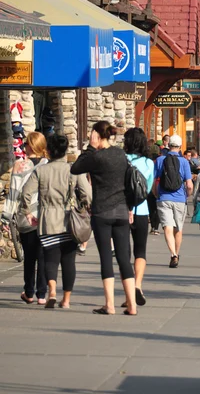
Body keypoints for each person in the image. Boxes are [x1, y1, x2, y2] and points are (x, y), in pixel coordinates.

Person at [71, 121, 136, 316]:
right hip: (122, 210)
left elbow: (76, 168)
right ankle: (131, 304)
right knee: (124, 257)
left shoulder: (96, 157)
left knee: (106, 257)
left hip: (102, 212)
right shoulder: (120, 154)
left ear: (97, 136)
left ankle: (110, 305)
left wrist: (90, 148)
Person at [22, 135, 91, 310]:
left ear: (49, 151)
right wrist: (84, 206)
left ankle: (52, 291)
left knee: (50, 259)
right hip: (69, 221)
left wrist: (28, 213)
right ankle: (66, 299)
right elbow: (88, 195)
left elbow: (26, 193)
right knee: (68, 260)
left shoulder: (41, 171)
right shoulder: (73, 170)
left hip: (47, 221)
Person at [2, 132, 48, 305]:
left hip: (26, 218)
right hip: (45, 217)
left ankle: (29, 291)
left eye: (26, 144)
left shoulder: (20, 166)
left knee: (29, 257)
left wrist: (6, 216)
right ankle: (42, 294)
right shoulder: (47, 165)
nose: (23, 147)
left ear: (31, 146)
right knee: (43, 256)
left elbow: (13, 193)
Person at [123, 127, 154, 307]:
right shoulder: (148, 163)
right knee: (140, 251)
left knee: (124, 252)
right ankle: (137, 285)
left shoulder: (123, 160)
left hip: (123, 209)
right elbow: (147, 189)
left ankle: (127, 292)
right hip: (141, 210)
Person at [154, 134, 193, 268]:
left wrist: (156, 194)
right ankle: (177, 252)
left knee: (167, 227)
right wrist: (187, 195)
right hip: (179, 199)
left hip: (164, 197)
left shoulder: (160, 160)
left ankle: (173, 254)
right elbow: (189, 184)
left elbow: (155, 181)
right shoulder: (184, 162)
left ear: (168, 145)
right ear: (180, 147)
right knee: (178, 228)